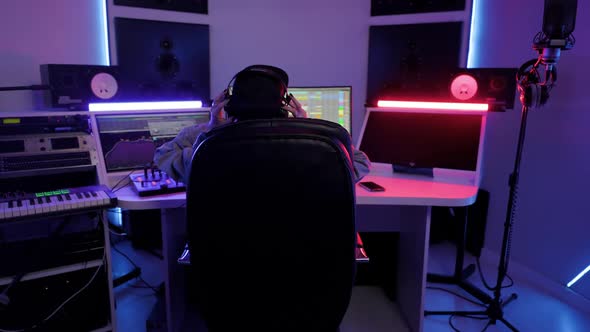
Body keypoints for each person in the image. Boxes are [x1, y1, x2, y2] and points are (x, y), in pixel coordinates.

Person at [154, 64, 371, 184]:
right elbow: (360, 162)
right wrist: (307, 128)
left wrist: (212, 129)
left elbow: (163, 155)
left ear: (228, 102)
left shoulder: (208, 144)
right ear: (285, 105)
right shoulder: (319, 148)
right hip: (299, 256)